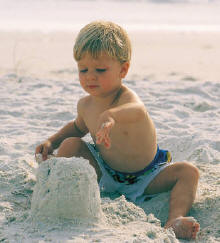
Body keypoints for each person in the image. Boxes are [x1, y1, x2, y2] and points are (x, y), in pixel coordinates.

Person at [35, 21, 200, 240]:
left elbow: (137, 110)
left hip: (147, 177)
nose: (90, 76)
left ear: (123, 69)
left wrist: (111, 116)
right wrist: (51, 142)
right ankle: (56, 186)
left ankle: (175, 219)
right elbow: (76, 127)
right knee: (70, 144)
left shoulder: (126, 98)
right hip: (105, 172)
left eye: (100, 70)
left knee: (188, 172)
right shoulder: (86, 105)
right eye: (83, 69)